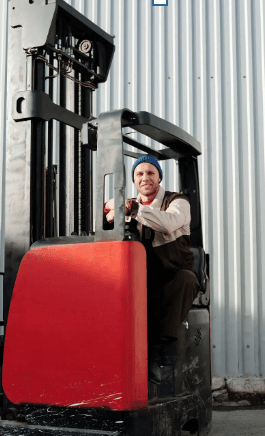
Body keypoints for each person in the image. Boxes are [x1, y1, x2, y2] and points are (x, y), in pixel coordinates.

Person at [104, 156, 200, 385]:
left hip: (173, 274)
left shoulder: (177, 202)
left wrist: (133, 209)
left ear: (159, 177)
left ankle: (158, 351)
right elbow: (109, 228)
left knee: (185, 280)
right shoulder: (128, 204)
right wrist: (106, 216)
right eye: (139, 174)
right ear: (134, 180)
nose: (145, 178)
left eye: (150, 173)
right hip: (142, 277)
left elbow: (167, 223)